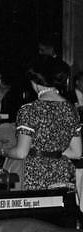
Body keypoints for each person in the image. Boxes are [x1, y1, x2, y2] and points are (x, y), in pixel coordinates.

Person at [5, 57, 82, 190]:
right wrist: (52, 151)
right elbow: (76, 152)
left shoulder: (29, 110)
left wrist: (2, 150)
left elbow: (21, 153)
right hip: (61, 173)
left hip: (33, 174)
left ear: (35, 82)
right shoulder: (70, 109)